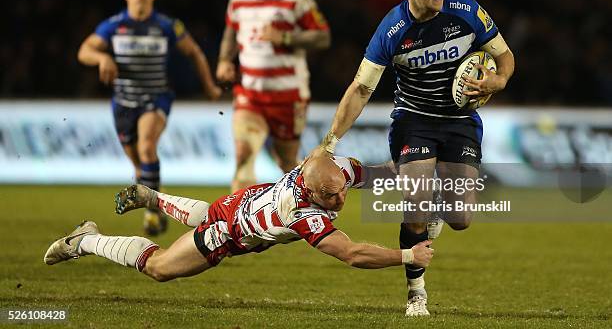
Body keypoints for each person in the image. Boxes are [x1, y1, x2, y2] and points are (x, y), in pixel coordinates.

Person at [309, 0, 515, 316]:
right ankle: (416, 291)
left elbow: (505, 56)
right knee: (416, 200)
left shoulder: (465, 9)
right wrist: (329, 143)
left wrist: (497, 81)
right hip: (414, 122)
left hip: (460, 122)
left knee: (461, 220)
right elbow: (360, 89)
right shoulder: (392, 30)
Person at [43, 157, 434, 286]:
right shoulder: (299, 213)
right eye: (330, 197)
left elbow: (371, 172)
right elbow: (350, 254)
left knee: (208, 211)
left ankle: (153, 197)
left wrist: (412, 174)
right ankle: (86, 239)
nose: (341, 199)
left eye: (342, 190)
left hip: (240, 201)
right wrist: (407, 255)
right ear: (312, 193)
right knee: (160, 268)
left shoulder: (333, 171)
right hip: (228, 234)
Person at [78, 0, 222, 236]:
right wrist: (101, 58)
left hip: (156, 98)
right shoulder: (114, 26)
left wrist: (209, 85)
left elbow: (195, 53)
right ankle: (157, 197)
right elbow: (84, 51)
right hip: (123, 103)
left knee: (147, 148)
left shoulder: (167, 25)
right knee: (139, 167)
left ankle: (152, 213)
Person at [216, 0, 331, 192]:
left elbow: (323, 37)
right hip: (251, 94)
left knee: (287, 162)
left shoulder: (296, 1)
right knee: (244, 155)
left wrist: (287, 38)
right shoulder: (238, 2)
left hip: (289, 96)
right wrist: (225, 60)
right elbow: (231, 33)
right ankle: (239, 222)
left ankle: (306, 209)